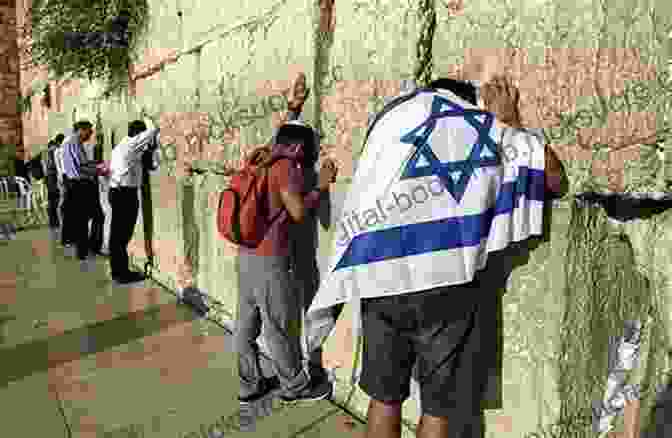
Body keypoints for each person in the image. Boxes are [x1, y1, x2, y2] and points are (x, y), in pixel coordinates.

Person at [305, 75, 567, 438]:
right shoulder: (484, 124)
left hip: (380, 274)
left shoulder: (390, 121)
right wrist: (508, 121)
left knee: (384, 400)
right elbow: (554, 178)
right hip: (446, 282)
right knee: (438, 409)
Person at [236, 73, 339, 406]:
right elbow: (297, 211)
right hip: (271, 260)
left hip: (246, 254)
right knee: (277, 327)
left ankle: (249, 383)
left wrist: (294, 108)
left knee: (246, 323)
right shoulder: (288, 166)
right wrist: (321, 186)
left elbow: (283, 135)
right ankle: (295, 387)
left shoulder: (263, 157)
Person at [107, 119, 160, 284]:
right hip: (125, 194)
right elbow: (153, 130)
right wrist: (147, 118)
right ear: (139, 134)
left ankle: (118, 271)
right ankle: (122, 274)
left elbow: (146, 163)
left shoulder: (121, 145)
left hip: (117, 191)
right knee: (122, 235)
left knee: (117, 235)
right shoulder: (132, 145)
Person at [61, 120, 100, 270]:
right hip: (80, 184)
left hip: (72, 183)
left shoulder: (67, 142)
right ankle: (88, 248)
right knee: (91, 217)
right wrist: (99, 170)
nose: (90, 135)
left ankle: (83, 249)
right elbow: (82, 166)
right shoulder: (74, 142)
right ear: (81, 130)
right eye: (89, 132)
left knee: (80, 218)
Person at [45, 135, 64, 232]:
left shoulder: (49, 149)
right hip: (52, 176)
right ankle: (54, 222)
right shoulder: (54, 150)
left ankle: (53, 222)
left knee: (52, 199)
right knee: (54, 199)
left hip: (49, 176)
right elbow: (55, 165)